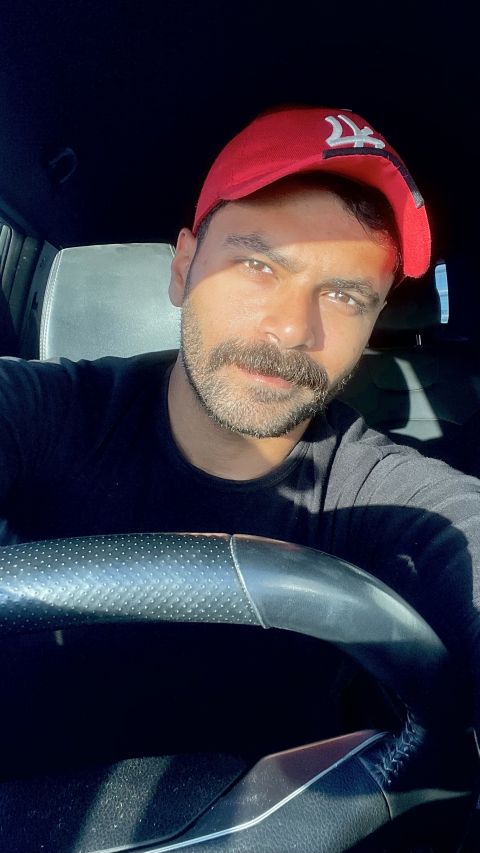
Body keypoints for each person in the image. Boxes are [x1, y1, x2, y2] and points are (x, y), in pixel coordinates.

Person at [1, 106, 480, 735]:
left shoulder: (384, 494)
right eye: (258, 266)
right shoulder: (49, 410)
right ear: (183, 269)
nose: (292, 329)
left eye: (344, 296)